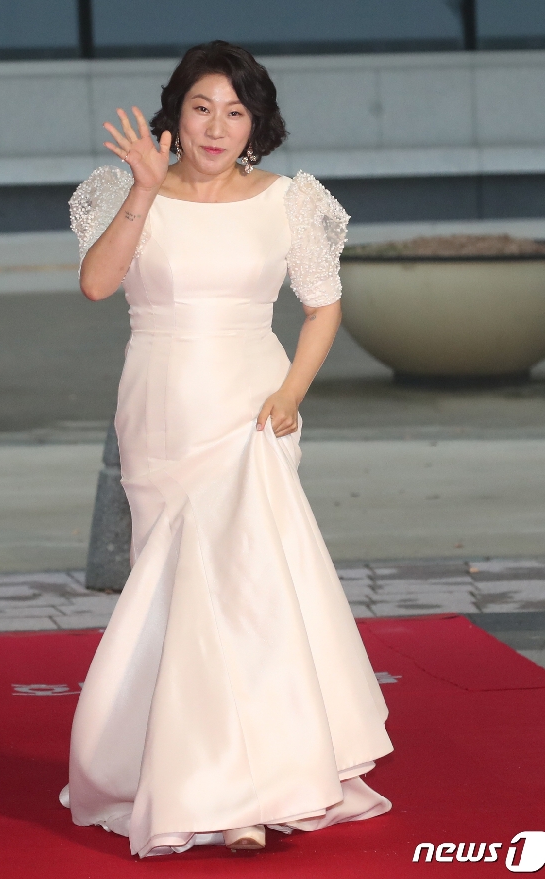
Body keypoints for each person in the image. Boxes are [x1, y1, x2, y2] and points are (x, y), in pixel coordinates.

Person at [61, 40, 394, 859]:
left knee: (246, 594)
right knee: (176, 598)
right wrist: (144, 191)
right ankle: (194, 777)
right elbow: (97, 285)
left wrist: (290, 394)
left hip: (252, 409)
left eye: (234, 112)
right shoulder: (125, 188)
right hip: (160, 410)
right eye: (202, 108)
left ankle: (250, 790)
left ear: (256, 123)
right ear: (176, 114)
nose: (216, 127)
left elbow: (323, 307)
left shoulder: (289, 200)